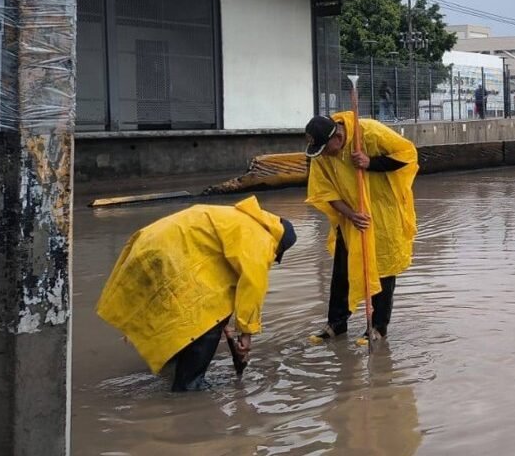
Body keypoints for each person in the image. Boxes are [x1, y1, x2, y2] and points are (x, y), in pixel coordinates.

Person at [95, 197, 296, 391]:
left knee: (187, 315)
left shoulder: (239, 220)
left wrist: (226, 323)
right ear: (279, 244)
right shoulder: (261, 239)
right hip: (168, 251)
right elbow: (252, 285)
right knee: (204, 322)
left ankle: (172, 363)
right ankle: (189, 386)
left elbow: (221, 278)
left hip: (151, 244)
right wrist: (246, 334)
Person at [304, 111, 418, 344]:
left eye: (326, 149)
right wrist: (351, 215)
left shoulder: (369, 132)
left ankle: (377, 327)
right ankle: (336, 324)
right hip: (351, 215)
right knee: (342, 269)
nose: (324, 155)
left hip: (383, 212)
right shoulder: (322, 154)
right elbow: (324, 191)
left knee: (383, 269)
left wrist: (370, 163)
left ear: (337, 136)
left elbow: (408, 154)